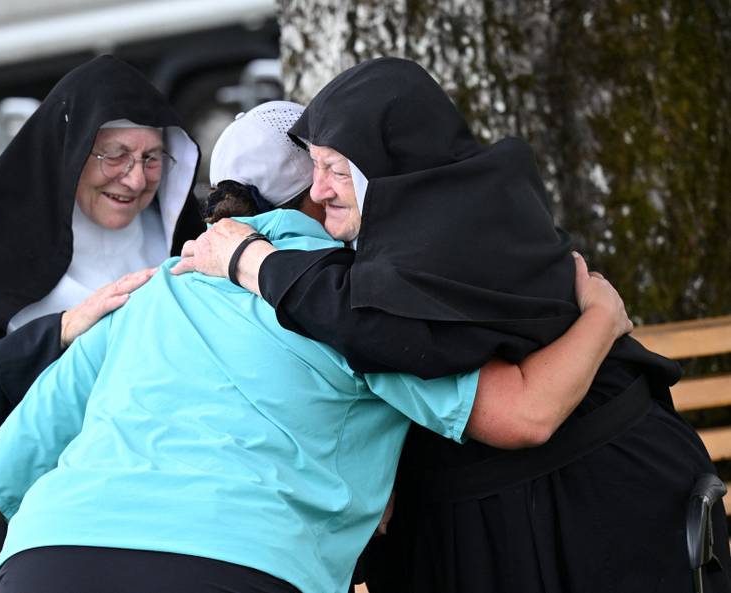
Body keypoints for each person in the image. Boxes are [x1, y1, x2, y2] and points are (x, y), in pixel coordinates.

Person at [0, 101, 630, 593]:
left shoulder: (161, 287)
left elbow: (35, 424)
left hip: (48, 557)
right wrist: (602, 312)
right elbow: (523, 414)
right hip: (238, 563)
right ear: (319, 193)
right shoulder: (355, 302)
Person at [176, 58, 730, 592]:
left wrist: (255, 262)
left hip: (591, 503)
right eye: (313, 171)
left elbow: (382, 330)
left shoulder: (439, 244)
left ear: (385, 161)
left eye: (336, 170)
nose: (321, 192)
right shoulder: (446, 214)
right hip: (534, 503)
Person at [0, 55, 204, 593]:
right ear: (71, 150)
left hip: (162, 503)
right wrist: (60, 332)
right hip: (23, 514)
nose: (136, 178)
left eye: (154, 158)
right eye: (116, 155)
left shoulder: (182, 234)